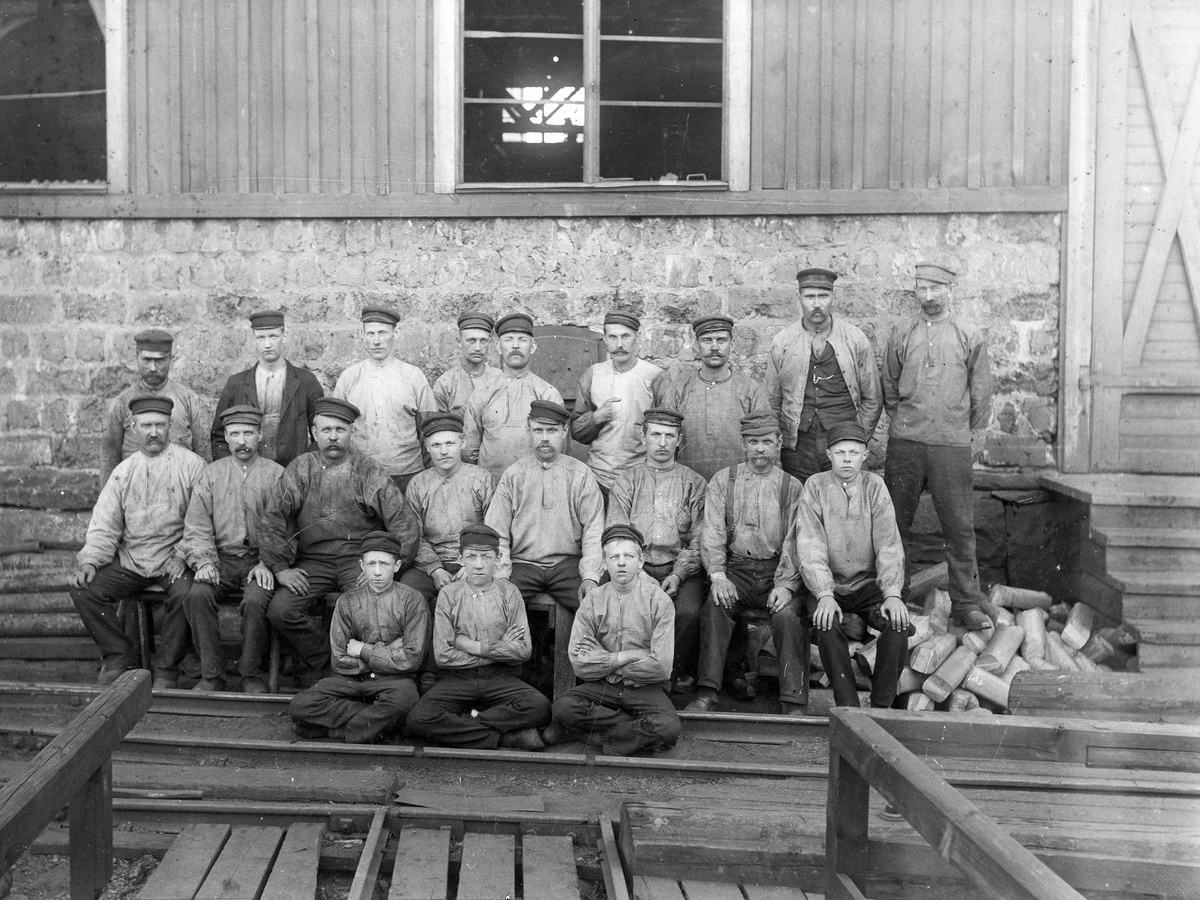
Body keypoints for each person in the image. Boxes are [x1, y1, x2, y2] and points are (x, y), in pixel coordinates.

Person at [258, 397, 420, 684]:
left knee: (371, 609)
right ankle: (330, 664)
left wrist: (378, 567)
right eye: (326, 430)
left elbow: (404, 525)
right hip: (312, 562)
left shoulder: (368, 471)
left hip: (356, 562)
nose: (333, 437)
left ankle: (368, 675)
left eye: (340, 430)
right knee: (281, 611)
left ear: (352, 432)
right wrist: (281, 569)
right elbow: (272, 519)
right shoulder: (301, 468)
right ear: (314, 433)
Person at [883, 263, 994, 630]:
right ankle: (893, 597)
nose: (928, 296)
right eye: (921, 288)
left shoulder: (968, 334)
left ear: (950, 290)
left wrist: (962, 429)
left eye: (935, 288)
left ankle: (966, 603)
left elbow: (980, 393)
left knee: (959, 527)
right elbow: (889, 387)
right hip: (906, 443)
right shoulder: (902, 333)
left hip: (951, 445)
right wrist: (908, 422)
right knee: (894, 523)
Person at [70, 396, 204, 685]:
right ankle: (120, 656)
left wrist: (183, 555)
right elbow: (105, 523)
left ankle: (167, 669)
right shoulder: (123, 471)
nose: (153, 432)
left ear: (170, 425)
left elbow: (201, 523)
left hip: (174, 560)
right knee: (84, 590)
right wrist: (91, 560)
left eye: (160, 425)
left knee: (187, 594)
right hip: (132, 560)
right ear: (133, 427)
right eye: (146, 426)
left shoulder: (192, 466)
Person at [783, 422, 912, 708]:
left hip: (867, 585)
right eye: (840, 453)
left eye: (854, 453)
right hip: (829, 585)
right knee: (826, 624)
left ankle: (881, 706)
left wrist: (892, 593)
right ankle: (848, 707)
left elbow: (888, 544)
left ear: (865, 456)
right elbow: (810, 544)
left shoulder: (874, 486)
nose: (847, 460)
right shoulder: (815, 485)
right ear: (829, 455)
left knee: (898, 624)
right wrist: (824, 594)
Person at [687, 413, 807, 714]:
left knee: (787, 616)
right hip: (736, 571)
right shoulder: (723, 480)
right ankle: (707, 692)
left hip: (776, 572)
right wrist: (717, 575)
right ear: (743, 444)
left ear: (779, 443)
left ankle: (793, 700)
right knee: (715, 607)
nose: (760, 449)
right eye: (753, 442)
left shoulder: (792, 487)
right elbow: (712, 532)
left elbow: (796, 542)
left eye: (767, 442)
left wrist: (786, 585)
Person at [405, 524, 552, 751]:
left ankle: (468, 721)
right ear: (460, 559)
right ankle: (503, 738)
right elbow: (443, 656)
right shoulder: (449, 595)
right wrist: (501, 648)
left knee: (540, 707)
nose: (479, 564)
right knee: (419, 718)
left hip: (500, 679)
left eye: (486, 557)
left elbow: (523, 651)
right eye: (471, 557)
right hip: (459, 680)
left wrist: (473, 646)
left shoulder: (509, 592)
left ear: (498, 559)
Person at [541, 524, 681, 756]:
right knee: (563, 708)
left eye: (628, 556)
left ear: (641, 561)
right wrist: (631, 655)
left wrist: (605, 660)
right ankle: (628, 729)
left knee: (668, 728)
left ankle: (594, 737)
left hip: (644, 688)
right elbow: (580, 664)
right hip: (602, 687)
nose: (621, 563)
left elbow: (661, 666)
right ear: (605, 563)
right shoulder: (592, 601)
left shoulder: (659, 601)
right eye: (614, 557)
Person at [177, 405, 284, 693]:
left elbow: (285, 526)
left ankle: (251, 674)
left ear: (260, 435)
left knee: (256, 601)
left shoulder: (276, 474)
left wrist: (268, 562)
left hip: (259, 562)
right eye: (235, 434)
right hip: (220, 560)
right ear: (225, 436)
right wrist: (204, 562)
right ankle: (212, 674)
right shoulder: (211, 474)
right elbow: (197, 526)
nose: (242, 441)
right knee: (197, 596)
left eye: (248, 433)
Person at [289, 532, 428, 743]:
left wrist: (363, 650)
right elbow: (340, 660)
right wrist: (389, 652)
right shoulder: (347, 601)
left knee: (405, 700)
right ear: (362, 565)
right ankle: (373, 725)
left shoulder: (413, 600)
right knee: (300, 705)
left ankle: (336, 731)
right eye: (371, 564)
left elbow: (411, 658)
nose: (377, 572)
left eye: (384, 564)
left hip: (394, 682)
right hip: (352, 680)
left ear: (397, 565)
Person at [607, 408, 707, 693]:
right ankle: (624, 677)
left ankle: (668, 679)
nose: (662, 443)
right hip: (635, 566)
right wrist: (638, 573)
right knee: (619, 608)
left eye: (669, 436)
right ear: (644, 437)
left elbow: (699, 538)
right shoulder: (627, 480)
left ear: (679, 440)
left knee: (688, 612)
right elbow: (617, 535)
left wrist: (677, 575)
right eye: (655, 435)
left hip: (679, 568)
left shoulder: (694, 483)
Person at [485, 400, 605, 615]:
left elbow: (594, 531)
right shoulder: (514, 475)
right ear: (528, 430)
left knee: (598, 608)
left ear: (564, 431)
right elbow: (496, 531)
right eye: (538, 430)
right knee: (494, 607)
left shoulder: (580, 474)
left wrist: (590, 576)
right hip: (522, 565)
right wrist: (501, 575)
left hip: (568, 566)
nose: (544, 438)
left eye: (552, 430)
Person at [766, 268, 882, 483]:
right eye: (810, 297)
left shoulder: (855, 339)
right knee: (801, 498)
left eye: (823, 296)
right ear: (799, 298)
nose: (817, 304)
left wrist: (858, 439)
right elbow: (773, 401)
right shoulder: (783, 342)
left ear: (833, 297)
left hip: (844, 443)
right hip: (799, 447)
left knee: (847, 499)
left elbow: (872, 398)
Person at [332, 306, 434, 492]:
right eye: (370, 334)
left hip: (407, 472)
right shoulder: (350, 377)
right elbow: (337, 428)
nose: (376, 341)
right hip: (361, 472)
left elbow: (429, 427)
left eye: (382, 333)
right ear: (363, 336)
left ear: (396, 334)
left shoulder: (413, 376)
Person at [399, 413, 496, 604]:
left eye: (450, 443)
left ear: (462, 442)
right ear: (427, 447)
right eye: (436, 445)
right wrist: (435, 569)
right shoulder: (418, 484)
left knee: (478, 597)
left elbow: (494, 528)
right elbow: (414, 536)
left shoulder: (482, 479)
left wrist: (472, 564)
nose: (444, 451)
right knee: (408, 591)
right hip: (430, 563)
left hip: (474, 560)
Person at [210, 309, 325, 469]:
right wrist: (234, 470)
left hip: (294, 471)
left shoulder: (306, 381)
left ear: (284, 336)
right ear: (253, 339)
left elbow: (321, 432)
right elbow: (218, 437)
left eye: (273, 336)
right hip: (249, 472)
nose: (267, 344)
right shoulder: (236, 384)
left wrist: (306, 466)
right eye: (261, 337)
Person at [569, 311, 669, 494]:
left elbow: (669, 431)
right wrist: (595, 418)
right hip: (598, 477)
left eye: (625, 336)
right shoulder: (594, 374)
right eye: (613, 337)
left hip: (640, 478)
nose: (619, 344)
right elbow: (576, 431)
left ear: (637, 338)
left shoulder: (654, 376)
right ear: (605, 340)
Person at [667, 315, 771, 481]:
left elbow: (766, 441)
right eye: (707, 340)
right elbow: (665, 438)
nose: (714, 347)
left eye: (721, 340)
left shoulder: (750, 389)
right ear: (696, 345)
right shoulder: (679, 388)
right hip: (689, 483)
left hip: (739, 483)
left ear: (732, 344)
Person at [464, 313, 564, 480]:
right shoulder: (483, 393)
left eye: (522, 340)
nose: (515, 345)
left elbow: (557, 449)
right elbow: (470, 450)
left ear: (533, 346)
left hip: (535, 482)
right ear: (498, 346)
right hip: (492, 484)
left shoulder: (547, 393)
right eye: (509, 339)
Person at [101, 329, 210, 482]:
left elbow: (204, 454)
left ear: (170, 358)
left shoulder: (190, 401)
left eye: (160, 360)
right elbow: (109, 457)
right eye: (147, 360)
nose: (153, 368)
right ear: (136, 357)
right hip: (135, 487)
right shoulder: (121, 403)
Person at [432, 313, 504, 417]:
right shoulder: (445, 383)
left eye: (483, 341)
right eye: (471, 340)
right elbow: (438, 423)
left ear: (490, 342)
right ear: (459, 342)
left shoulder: (500, 379)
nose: (478, 348)